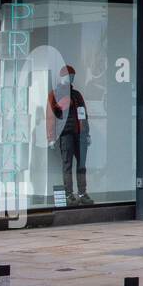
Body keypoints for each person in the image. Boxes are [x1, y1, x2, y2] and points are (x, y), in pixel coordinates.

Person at [47, 65, 90, 205]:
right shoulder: (55, 94)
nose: (71, 78)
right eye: (69, 75)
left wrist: (86, 133)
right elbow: (50, 117)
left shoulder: (77, 95)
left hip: (80, 135)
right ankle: (68, 194)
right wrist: (51, 137)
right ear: (62, 76)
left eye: (72, 76)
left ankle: (82, 193)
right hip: (65, 134)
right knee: (67, 164)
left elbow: (84, 115)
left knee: (81, 164)